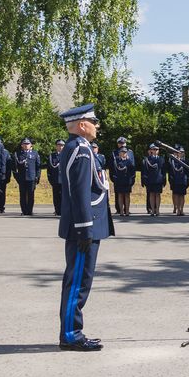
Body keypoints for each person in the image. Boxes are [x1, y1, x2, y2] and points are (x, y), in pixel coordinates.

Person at [57, 104, 113, 352]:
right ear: (82, 125)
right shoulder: (79, 149)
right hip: (84, 227)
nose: (97, 125)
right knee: (78, 282)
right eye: (94, 120)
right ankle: (71, 334)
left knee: (80, 281)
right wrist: (84, 229)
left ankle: (73, 331)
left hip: (87, 225)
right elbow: (79, 193)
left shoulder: (81, 147)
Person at [13, 138, 40, 216]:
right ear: (21, 145)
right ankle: (24, 211)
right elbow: (14, 168)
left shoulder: (35, 153)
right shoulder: (17, 154)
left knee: (31, 195)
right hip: (22, 178)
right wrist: (17, 178)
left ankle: (29, 211)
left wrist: (37, 177)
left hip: (31, 177)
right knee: (23, 195)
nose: (26, 145)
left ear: (31, 145)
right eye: (24, 144)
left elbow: (38, 167)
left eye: (27, 144)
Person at [110, 145, 136, 216]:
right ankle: (121, 211)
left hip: (127, 181)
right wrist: (115, 179)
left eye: (125, 152)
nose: (124, 153)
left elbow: (132, 172)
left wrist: (132, 180)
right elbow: (113, 171)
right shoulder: (116, 162)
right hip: (119, 181)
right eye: (122, 152)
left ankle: (127, 211)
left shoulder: (129, 162)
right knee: (120, 195)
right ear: (119, 153)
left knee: (127, 196)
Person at [141, 143, 165, 216]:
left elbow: (163, 170)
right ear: (151, 150)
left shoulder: (161, 159)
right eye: (154, 149)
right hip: (150, 179)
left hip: (158, 180)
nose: (155, 151)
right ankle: (152, 209)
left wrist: (164, 179)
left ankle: (157, 210)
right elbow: (145, 170)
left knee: (157, 195)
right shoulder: (147, 159)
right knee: (151, 195)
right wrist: (144, 180)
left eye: (157, 149)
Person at [168, 145, 189, 216]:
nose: (181, 153)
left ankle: (182, 210)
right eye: (180, 152)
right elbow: (171, 172)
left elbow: (188, 172)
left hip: (183, 181)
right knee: (177, 195)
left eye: (182, 152)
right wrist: (171, 181)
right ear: (177, 153)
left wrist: (187, 180)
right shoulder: (173, 161)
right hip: (175, 181)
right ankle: (178, 209)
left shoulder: (185, 161)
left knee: (182, 196)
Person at [48, 139, 66, 216]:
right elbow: (49, 169)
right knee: (56, 197)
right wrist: (50, 180)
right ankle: (57, 210)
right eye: (59, 145)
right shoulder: (52, 156)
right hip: (55, 180)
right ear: (56, 146)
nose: (60, 147)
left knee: (64, 196)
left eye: (62, 145)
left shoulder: (67, 155)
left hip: (64, 180)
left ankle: (63, 211)